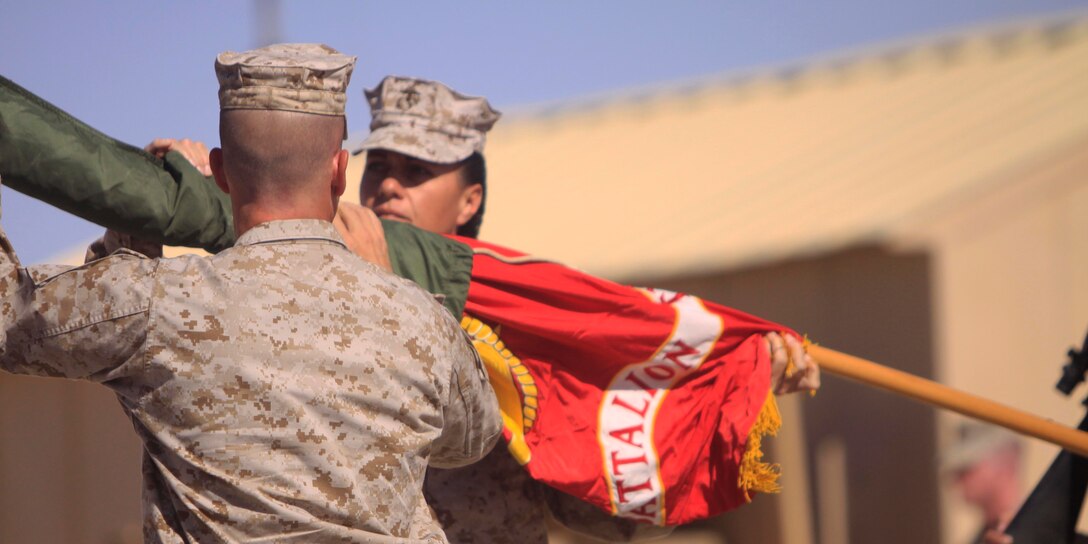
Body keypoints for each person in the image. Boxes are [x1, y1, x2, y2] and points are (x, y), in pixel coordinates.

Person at [0, 71, 818, 542]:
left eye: (419, 170)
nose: (390, 184)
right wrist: (146, 216)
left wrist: (725, 384)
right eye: (381, 162)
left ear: (468, 203)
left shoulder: (507, 337)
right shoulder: (263, 278)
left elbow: (602, 493)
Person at [0, 44, 500, 543]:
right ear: (341, 170)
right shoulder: (421, 321)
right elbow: (472, 438)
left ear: (220, 171)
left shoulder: (156, 305)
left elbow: (10, 320)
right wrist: (395, 294)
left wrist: (136, 220)